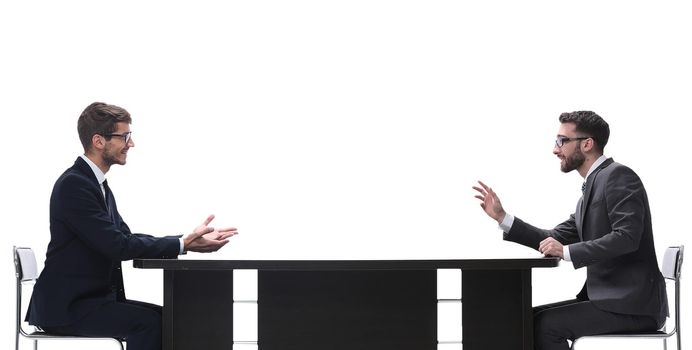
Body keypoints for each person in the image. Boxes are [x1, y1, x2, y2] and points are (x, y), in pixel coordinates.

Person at [27, 102, 238, 350]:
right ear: (99, 141)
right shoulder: (76, 185)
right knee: (150, 324)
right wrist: (183, 244)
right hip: (68, 308)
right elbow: (117, 246)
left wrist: (186, 240)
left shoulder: (96, 185)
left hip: (88, 302)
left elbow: (124, 237)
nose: (131, 144)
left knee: (173, 319)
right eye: (124, 136)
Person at [473, 111, 668, 350]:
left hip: (633, 306)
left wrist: (566, 252)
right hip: (614, 300)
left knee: (545, 325)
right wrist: (503, 218)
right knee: (524, 320)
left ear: (587, 144)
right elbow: (551, 238)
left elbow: (627, 237)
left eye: (562, 141)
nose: (556, 150)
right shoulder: (592, 189)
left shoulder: (618, 176)